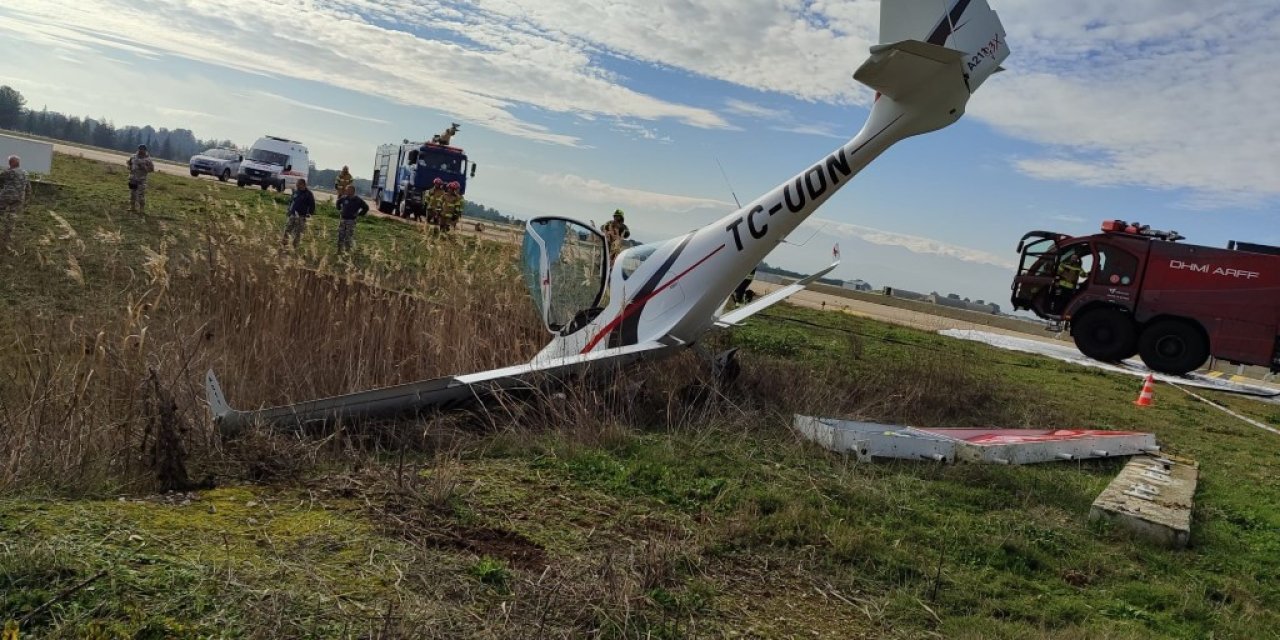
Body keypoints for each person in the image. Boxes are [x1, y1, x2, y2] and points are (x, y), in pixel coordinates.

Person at [0, 155, 32, 253]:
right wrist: (26, 200)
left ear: (11, 163)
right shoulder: (25, 173)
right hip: (19, 198)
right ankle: (7, 239)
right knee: (12, 218)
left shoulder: (8, 172)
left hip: (6, 197)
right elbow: (28, 188)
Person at [280, 178, 316, 248]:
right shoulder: (296, 192)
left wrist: (308, 215)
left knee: (297, 233)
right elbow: (291, 202)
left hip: (301, 217)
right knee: (287, 229)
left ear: (303, 184)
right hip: (292, 215)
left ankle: (294, 247)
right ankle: (284, 244)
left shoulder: (308, 194)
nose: (296, 185)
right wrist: (289, 210)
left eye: (298, 184)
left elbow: (312, 206)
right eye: (297, 184)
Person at [335, 185, 369, 253]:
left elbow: (366, 208)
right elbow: (338, 202)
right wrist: (339, 209)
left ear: (352, 191)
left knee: (348, 237)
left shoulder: (358, 200)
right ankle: (339, 251)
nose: (346, 191)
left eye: (348, 190)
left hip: (351, 220)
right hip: (342, 219)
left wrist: (359, 214)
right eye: (346, 190)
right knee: (340, 236)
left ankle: (347, 251)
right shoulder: (344, 198)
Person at [126, 144, 156, 215]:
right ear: (138, 149)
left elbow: (152, 169)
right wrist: (129, 166)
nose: (141, 151)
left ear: (145, 151)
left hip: (141, 180)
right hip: (133, 179)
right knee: (132, 193)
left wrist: (144, 167)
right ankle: (132, 207)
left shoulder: (148, 160)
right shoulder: (133, 157)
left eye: (142, 150)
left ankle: (141, 210)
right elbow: (129, 164)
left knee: (140, 195)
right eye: (140, 149)